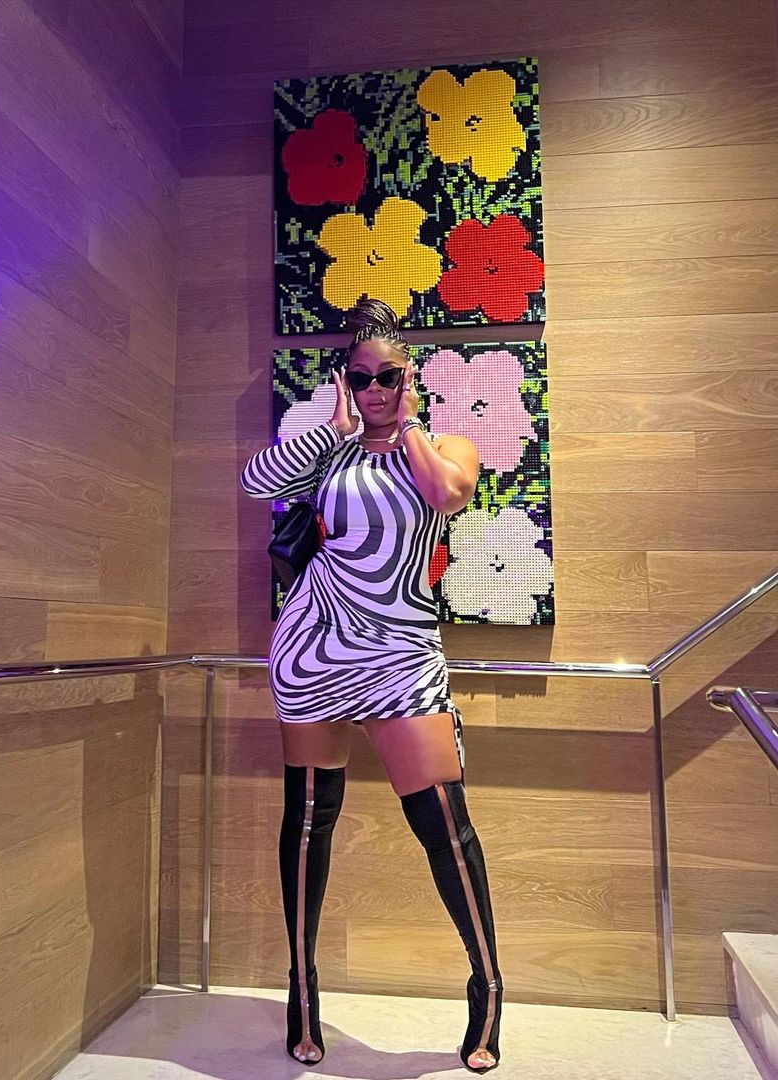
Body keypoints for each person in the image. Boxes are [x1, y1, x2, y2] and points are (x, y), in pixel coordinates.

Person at [240, 298, 502, 1073]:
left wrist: (409, 425)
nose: (376, 388)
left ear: (409, 379)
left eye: (389, 376)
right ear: (345, 382)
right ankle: (303, 987)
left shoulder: (445, 445)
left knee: (443, 824)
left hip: (401, 654)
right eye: (362, 377)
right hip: (314, 646)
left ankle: (487, 982)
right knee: (309, 822)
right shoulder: (331, 453)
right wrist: (334, 428)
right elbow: (254, 482)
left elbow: (447, 495)